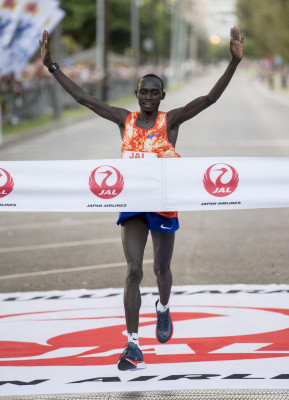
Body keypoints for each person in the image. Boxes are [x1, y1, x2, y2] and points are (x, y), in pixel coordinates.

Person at [39, 27, 244, 371]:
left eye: (154, 92)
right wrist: (52, 67)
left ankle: (163, 307)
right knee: (133, 270)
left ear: (162, 96)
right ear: (136, 94)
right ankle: (132, 344)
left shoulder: (171, 121)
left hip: (163, 202)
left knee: (161, 269)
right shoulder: (125, 120)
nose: (148, 97)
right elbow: (84, 99)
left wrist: (233, 62)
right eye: (143, 91)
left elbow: (209, 99)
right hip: (133, 203)